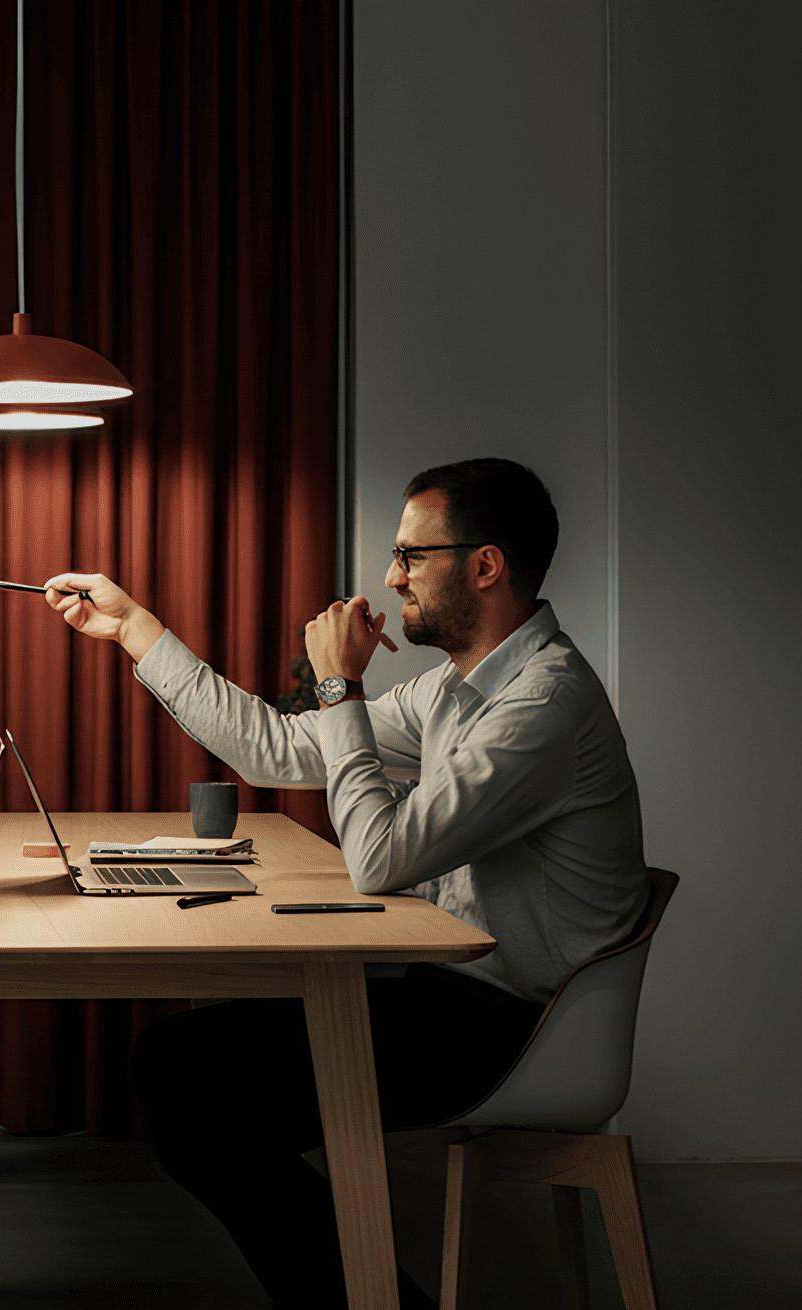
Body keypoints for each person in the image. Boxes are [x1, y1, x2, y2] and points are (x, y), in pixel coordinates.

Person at [41, 457, 646, 1309]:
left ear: (485, 564)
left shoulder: (540, 705)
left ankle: (364, 1296)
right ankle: (367, 1293)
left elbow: (380, 860)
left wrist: (341, 685)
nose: (392, 577)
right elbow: (280, 751)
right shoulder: (457, 689)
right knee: (178, 1070)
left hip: (515, 1028)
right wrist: (136, 627)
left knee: (186, 1086)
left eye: (412, 555)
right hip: (452, 995)